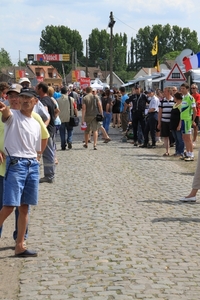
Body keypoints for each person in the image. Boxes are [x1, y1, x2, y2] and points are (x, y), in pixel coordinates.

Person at [0, 84, 49, 243]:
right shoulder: (13, 115)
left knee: (24, 207)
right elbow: (7, 115)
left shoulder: (35, 121)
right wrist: (4, 109)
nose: (23, 100)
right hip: (14, 164)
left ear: (35, 101)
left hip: (31, 165)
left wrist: (38, 156)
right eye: (22, 97)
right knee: (8, 206)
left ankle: (20, 244)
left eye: (28, 97)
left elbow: (40, 141)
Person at [36, 82, 59, 183]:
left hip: (47, 130)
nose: (35, 88)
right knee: (50, 151)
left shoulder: (44, 101)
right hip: (51, 128)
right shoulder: (50, 99)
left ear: (40, 89)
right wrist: (54, 118)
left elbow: (45, 114)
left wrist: (43, 124)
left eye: (36, 87)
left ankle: (49, 176)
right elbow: (57, 110)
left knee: (48, 152)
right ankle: (49, 175)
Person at [180, 82, 196, 161]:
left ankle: (191, 154)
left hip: (187, 120)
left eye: (183, 89)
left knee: (188, 138)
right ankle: (187, 152)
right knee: (184, 137)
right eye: (181, 88)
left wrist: (193, 120)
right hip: (183, 119)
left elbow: (194, 110)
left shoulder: (190, 98)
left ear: (187, 89)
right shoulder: (183, 97)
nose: (181, 90)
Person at [157, 86, 174, 156]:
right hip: (164, 121)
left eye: (165, 91)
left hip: (172, 122)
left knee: (173, 136)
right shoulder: (162, 101)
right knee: (165, 136)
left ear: (169, 92)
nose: (164, 92)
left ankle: (176, 151)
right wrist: (159, 122)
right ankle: (167, 151)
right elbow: (160, 112)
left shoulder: (174, 100)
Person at [169, 92, 185, 157]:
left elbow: (181, 116)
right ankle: (177, 151)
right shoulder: (174, 105)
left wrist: (179, 125)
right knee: (176, 139)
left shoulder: (181, 105)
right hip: (173, 124)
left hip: (178, 124)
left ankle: (180, 151)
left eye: (174, 97)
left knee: (180, 139)